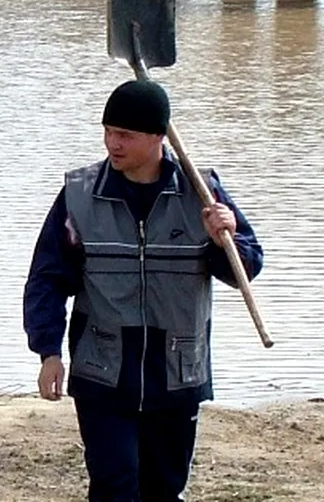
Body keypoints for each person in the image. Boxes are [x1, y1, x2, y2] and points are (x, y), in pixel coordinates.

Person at [23, 80, 264, 502]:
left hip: (176, 374)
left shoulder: (201, 192)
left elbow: (247, 267)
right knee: (113, 488)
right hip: (102, 373)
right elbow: (47, 279)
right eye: (108, 131)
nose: (112, 144)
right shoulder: (79, 195)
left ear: (158, 137)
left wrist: (224, 238)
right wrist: (48, 352)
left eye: (125, 135)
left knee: (164, 492)